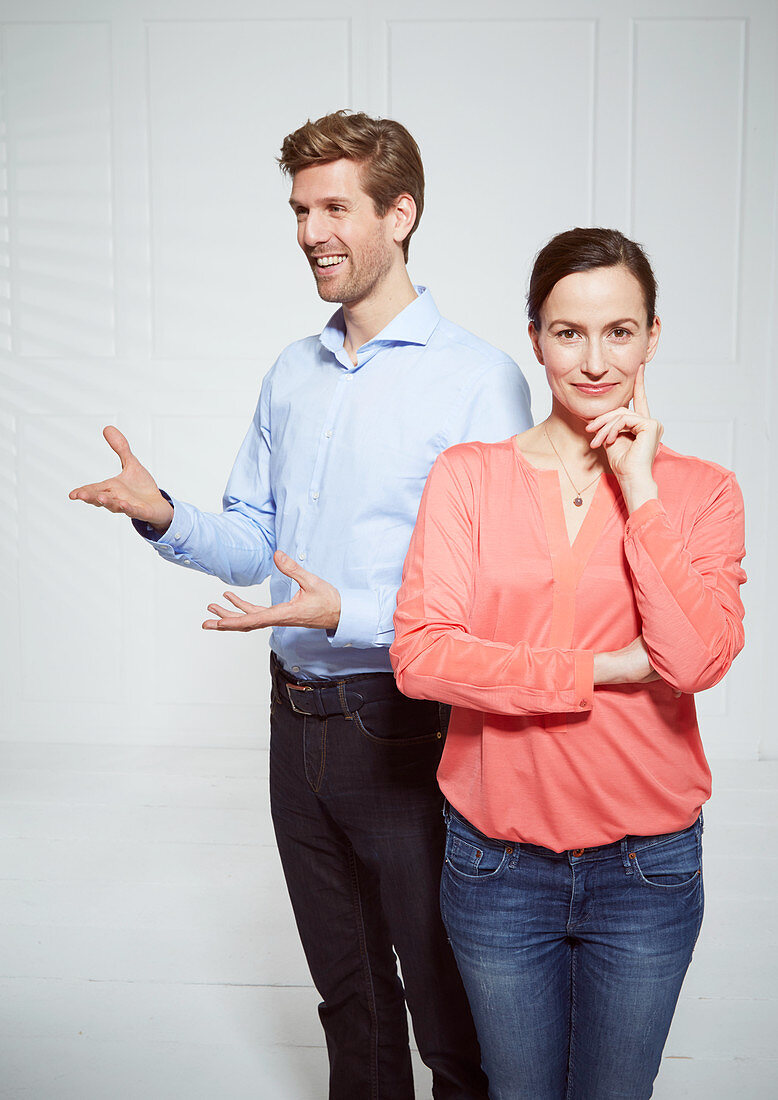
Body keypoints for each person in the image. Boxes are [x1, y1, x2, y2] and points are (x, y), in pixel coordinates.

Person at [69, 109, 532, 1099]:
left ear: (399, 213)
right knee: (350, 996)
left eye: (333, 207)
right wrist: (164, 514)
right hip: (294, 721)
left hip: (409, 720)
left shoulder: (478, 381)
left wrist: (342, 611)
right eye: (297, 209)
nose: (309, 231)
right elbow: (254, 538)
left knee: (448, 1002)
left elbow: (497, 587)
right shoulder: (291, 371)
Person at [390, 227, 746, 1100]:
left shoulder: (702, 492)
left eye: (619, 332)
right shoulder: (468, 477)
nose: (594, 360)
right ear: (535, 336)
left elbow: (695, 659)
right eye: (568, 333)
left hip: (648, 870)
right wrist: (605, 671)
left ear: (652, 337)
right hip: (497, 866)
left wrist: (643, 488)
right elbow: (423, 657)